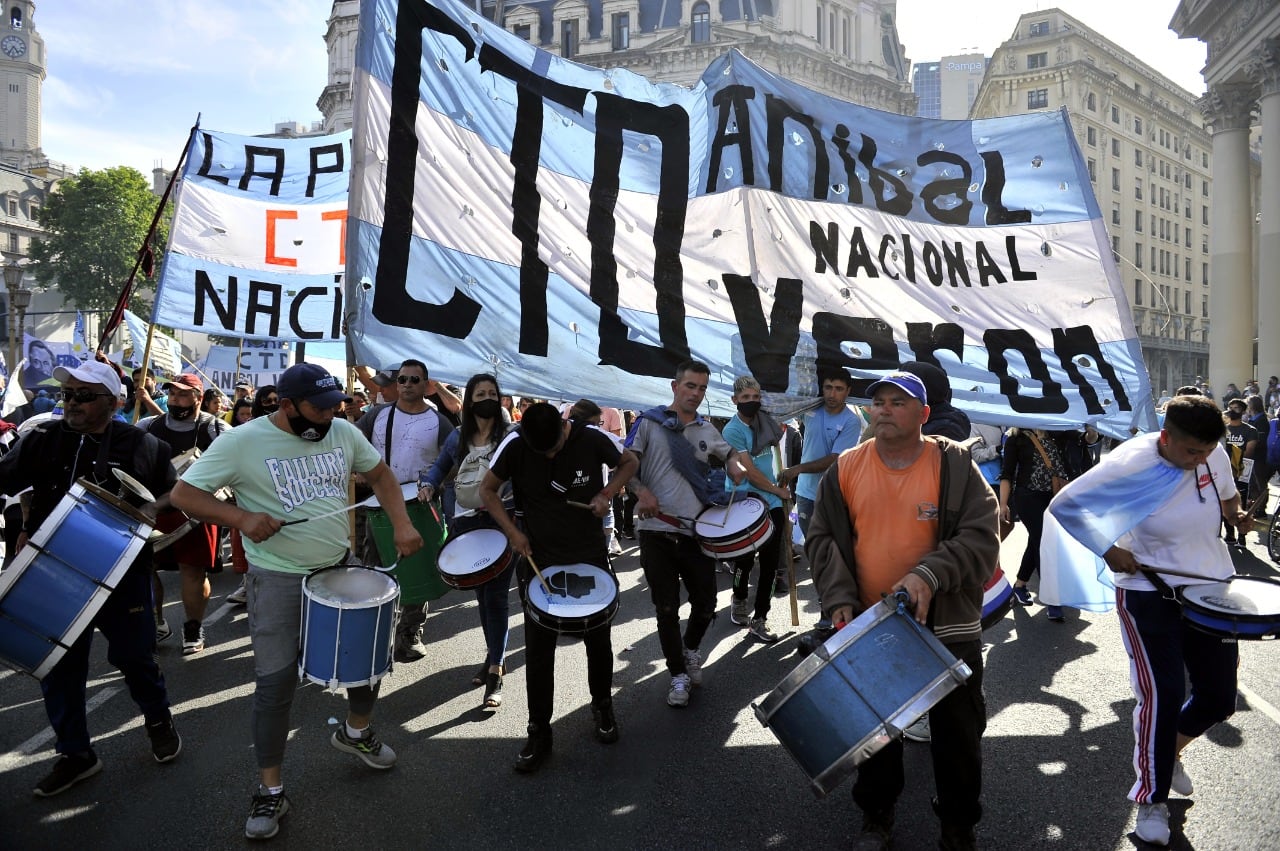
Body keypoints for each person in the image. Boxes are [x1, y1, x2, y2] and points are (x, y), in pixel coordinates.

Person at [170, 362, 423, 840]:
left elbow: (383, 476)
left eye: (335, 408)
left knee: (366, 660)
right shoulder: (241, 441)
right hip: (277, 579)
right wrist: (241, 518)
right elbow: (185, 493)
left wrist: (404, 525)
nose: (329, 417)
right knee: (275, 684)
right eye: (319, 409)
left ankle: (355, 732)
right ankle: (270, 790)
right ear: (285, 405)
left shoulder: (343, 431)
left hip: (337, 567)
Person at [1041, 395, 1247, 846]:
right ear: (1166, 437)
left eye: (1206, 451)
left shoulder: (1211, 454)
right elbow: (1065, 505)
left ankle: (1165, 752)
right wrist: (1111, 550)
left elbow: (1228, 498)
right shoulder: (1129, 462)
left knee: (1218, 697)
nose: (1199, 460)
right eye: (1191, 451)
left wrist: (1237, 516)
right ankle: (1150, 798)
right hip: (1148, 593)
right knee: (1163, 694)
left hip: (1209, 589)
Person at [806, 372, 998, 851]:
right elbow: (822, 537)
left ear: (924, 414)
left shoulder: (953, 465)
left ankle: (958, 826)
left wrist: (928, 575)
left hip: (948, 627)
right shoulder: (846, 467)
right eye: (878, 403)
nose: (884, 410)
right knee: (874, 737)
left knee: (958, 737)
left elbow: (981, 538)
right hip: (873, 625)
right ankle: (877, 815)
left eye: (898, 402)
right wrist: (839, 598)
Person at [0, 361, 182, 796]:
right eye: (68, 395)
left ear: (113, 401)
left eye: (83, 396)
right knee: (58, 666)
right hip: (52, 572)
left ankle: (158, 719)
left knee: (135, 656)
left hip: (120, 571)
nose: (72, 403)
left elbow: (174, 494)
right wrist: (24, 524)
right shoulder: (41, 438)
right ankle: (76, 754)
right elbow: (7, 480)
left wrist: (152, 509)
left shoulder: (145, 444)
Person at [479, 401, 638, 771]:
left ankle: (602, 707)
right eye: (542, 452)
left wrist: (608, 492)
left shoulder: (591, 436)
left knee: (599, 641)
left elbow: (629, 461)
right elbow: (488, 490)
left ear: (565, 429)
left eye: (553, 449)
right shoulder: (516, 443)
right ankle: (539, 731)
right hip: (539, 558)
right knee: (538, 650)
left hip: (589, 554)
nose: (548, 455)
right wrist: (513, 532)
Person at [625, 360, 755, 708]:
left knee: (706, 604)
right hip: (656, 531)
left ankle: (691, 649)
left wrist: (735, 467)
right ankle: (677, 674)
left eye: (701, 388)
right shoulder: (649, 423)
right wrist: (641, 492)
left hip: (696, 532)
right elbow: (625, 465)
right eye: (690, 386)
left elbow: (728, 456)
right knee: (666, 608)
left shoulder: (706, 430)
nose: (696, 394)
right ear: (675, 386)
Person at [419, 373, 515, 705]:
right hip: (466, 525)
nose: (486, 397)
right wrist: (428, 484)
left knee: (497, 598)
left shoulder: (511, 435)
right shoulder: (458, 436)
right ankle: (494, 656)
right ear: (470, 400)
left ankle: (495, 671)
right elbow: (439, 467)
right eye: (480, 393)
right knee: (483, 597)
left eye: (492, 392)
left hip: (502, 522)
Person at [355, 359, 455, 662]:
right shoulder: (377, 415)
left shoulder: (439, 421)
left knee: (417, 571)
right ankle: (374, 631)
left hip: (420, 504)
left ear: (426, 385)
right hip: (378, 502)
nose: (408, 385)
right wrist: (358, 469)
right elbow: (351, 445)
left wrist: (433, 484)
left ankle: (410, 631)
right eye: (402, 380)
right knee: (374, 567)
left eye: (414, 380)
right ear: (396, 384)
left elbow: (453, 462)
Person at [141, 373, 230, 653]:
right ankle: (155, 622)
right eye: (172, 394)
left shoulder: (216, 429)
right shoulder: (148, 426)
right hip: (154, 508)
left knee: (192, 571)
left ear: (198, 397)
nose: (175, 399)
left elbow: (233, 467)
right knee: (144, 568)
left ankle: (193, 626)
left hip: (197, 512)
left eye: (182, 394)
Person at [778, 370, 862, 631]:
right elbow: (786, 410)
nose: (832, 394)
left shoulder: (851, 421)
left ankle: (834, 613)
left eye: (838, 388)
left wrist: (796, 469)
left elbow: (834, 459)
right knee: (816, 556)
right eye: (828, 387)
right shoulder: (812, 410)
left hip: (834, 498)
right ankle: (828, 610)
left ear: (848, 391)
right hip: (804, 495)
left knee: (834, 557)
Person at [721, 375, 791, 643]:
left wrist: (779, 482)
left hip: (772, 499)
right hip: (745, 499)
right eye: (746, 398)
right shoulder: (732, 431)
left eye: (755, 397)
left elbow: (774, 457)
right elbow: (748, 472)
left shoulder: (767, 422)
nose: (752, 402)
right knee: (745, 560)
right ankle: (739, 599)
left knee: (771, 563)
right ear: (735, 400)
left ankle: (760, 618)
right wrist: (777, 490)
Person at [999, 427, 1068, 620]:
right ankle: (1052, 598)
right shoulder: (1016, 438)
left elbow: (1084, 443)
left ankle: (1020, 585)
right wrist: (1003, 504)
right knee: (1042, 539)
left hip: (1053, 496)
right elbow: (1007, 473)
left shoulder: (1056, 432)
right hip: (1027, 497)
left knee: (1037, 539)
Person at [1221, 397, 1258, 550]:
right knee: (1224, 500)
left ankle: (1242, 537)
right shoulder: (1223, 429)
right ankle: (1230, 534)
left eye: (1236, 408)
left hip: (1242, 472)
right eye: (1231, 407)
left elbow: (1249, 452)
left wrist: (1239, 469)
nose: (1232, 411)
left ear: (1243, 411)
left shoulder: (1250, 430)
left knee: (1241, 503)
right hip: (1224, 470)